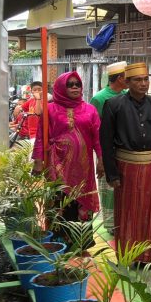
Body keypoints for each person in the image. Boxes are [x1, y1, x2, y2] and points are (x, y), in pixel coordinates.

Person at [99, 63, 151, 263]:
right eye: (138, 80)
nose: (143, 83)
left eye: (146, 79)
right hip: (125, 167)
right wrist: (112, 174)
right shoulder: (113, 105)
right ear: (127, 82)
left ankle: (147, 254)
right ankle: (128, 255)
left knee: (150, 209)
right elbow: (106, 142)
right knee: (128, 211)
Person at [32, 72, 103, 245]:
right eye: (70, 84)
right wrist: (39, 162)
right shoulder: (50, 110)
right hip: (57, 166)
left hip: (83, 168)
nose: (74, 87)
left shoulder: (90, 110)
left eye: (77, 84)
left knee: (82, 200)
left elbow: (97, 138)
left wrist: (101, 160)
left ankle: (82, 243)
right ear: (61, 88)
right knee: (59, 201)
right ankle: (58, 243)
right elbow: (41, 137)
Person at [90, 61, 127, 233]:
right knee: (108, 188)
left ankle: (125, 219)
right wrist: (101, 157)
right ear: (120, 78)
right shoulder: (99, 98)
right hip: (107, 150)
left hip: (126, 150)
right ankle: (112, 224)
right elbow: (95, 129)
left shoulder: (128, 95)